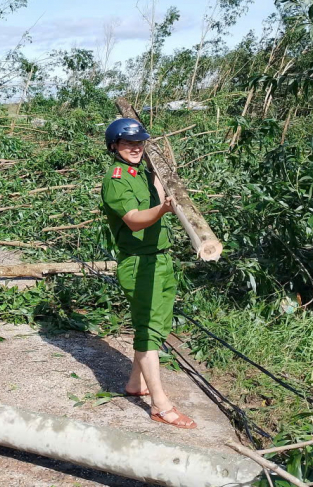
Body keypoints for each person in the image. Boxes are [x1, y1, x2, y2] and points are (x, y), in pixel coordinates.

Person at [100, 118, 196, 429]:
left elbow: (157, 188)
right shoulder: (117, 179)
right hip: (139, 264)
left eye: (139, 143)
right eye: (128, 143)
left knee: (156, 326)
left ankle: (135, 383)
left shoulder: (142, 172)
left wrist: (163, 172)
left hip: (160, 260)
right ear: (114, 146)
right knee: (149, 331)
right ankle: (160, 405)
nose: (135, 148)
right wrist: (164, 209)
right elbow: (134, 219)